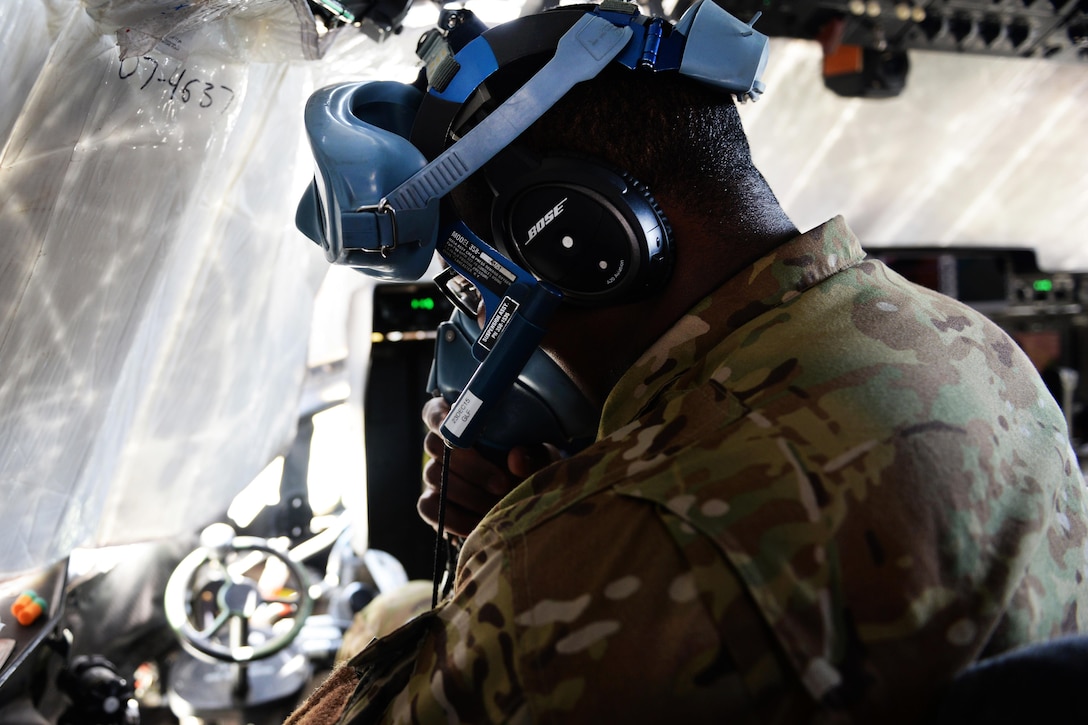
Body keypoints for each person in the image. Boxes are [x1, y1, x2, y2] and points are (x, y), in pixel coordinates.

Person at [288, 3, 1088, 722]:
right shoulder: (971, 342)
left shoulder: (608, 543)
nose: (480, 318)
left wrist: (518, 538)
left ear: (580, 241)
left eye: (476, 274)